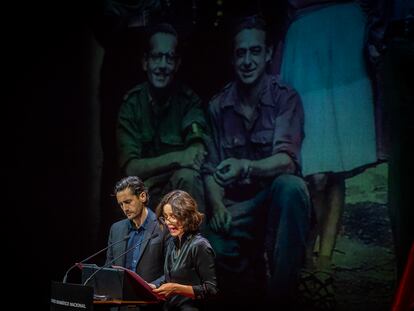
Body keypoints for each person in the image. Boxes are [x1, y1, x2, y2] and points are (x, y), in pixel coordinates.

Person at [270, 1, 388, 300]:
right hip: (303, 32)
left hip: (343, 29)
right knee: (310, 166)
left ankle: (324, 260)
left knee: (335, 163)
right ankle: (306, 254)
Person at [203, 15, 311, 307]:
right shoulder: (218, 106)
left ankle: (281, 298)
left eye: (255, 51)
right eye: (241, 53)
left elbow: (288, 160)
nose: (247, 61)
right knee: (211, 240)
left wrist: (246, 167)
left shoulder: (285, 98)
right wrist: (217, 205)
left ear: (268, 54)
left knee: (292, 188)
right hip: (240, 208)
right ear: (232, 58)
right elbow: (209, 169)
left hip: (275, 203)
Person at [116, 23, 208, 214]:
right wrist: (178, 158)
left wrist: (183, 160)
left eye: (169, 58)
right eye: (157, 57)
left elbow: (196, 152)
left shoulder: (188, 102)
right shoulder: (131, 105)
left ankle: (192, 243)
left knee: (188, 177)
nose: (163, 66)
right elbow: (131, 168)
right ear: (145, 62)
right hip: (144, 194)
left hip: (178, 192)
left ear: (177, 64)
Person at [106, 176, 170, 310]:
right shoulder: (116, 229)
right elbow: (108, 267)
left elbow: (171, 271)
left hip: (150, 304)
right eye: (121, 204)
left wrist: (150, 288)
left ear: (142, 196)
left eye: (128, 202)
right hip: (119, 306)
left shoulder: (164, 228)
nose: (125, 208)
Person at [151, 190, 218, 310]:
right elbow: (170, 278)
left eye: (173, 216)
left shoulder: (200, 245)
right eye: (165, 217)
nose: (167, 222)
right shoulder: (172, 243)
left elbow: (211, 290)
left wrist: (176, 288)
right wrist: (151, 285)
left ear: (186, 215)